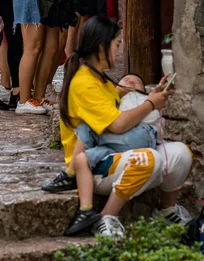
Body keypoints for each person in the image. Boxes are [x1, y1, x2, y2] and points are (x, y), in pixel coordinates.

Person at [47, 16, 192, 237]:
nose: (118, 50)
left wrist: (149, 93)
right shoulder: (84, 84)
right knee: (149, 160)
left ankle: (167, 210)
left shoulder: (100, 78)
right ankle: (106, 217)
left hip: (116, 151)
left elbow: (115, 98)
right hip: (94, 164)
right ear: (101, 47)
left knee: (181, 153)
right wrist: (151, 103)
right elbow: (117, 124)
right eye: (116, 45)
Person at [45, 74, 159, 235]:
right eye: (126, 80)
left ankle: (69, 174)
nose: (131, 81)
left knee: (88, 126)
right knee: (81, 159)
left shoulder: (140, 99)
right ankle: (86, 209)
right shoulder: (113, 102)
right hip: (113, 146)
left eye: (137, 81)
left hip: (140, 136)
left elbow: (144, 119)